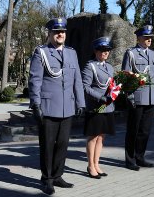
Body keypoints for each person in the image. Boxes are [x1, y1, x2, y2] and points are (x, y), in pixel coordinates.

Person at [28, 17, 85, 195]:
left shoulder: (71, 53)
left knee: (62, 144)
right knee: (47, 145)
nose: (60, 34)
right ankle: (47, 179)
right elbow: (35, 80)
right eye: (56, 31)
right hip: (48, 107)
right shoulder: (41, 52)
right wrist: (35, 104)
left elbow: (77, 80)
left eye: (63, 32)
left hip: (67, 107)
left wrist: (80, 102)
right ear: (50, 33)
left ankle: (58, 175)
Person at [121, 25, 154, 171]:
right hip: (137, 97)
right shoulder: (131, 53)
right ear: (139, 38)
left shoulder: (153, 54)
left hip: (151, 98)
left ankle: (140, 157)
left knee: (145, 130)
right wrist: (129, 96)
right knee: (133, 130)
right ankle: (130, 160)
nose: (149, 40)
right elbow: (125, 76)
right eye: (146, 37)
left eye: (150, 37)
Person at [81, 37, 116, 179]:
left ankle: (96, 164)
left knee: (101, 137)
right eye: (102, 50)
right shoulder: (90, 66)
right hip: (96, 106)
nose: (105, 52)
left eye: (107, 50)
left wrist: (115, 92)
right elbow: (85, 87)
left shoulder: (109, 67)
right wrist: (101, 98)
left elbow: (111, 85)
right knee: (93, 136)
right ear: (96, 51)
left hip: (107, 107)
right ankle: (90, 165)